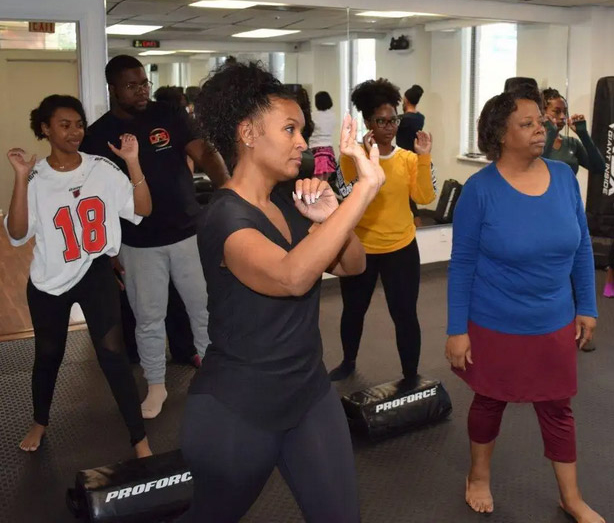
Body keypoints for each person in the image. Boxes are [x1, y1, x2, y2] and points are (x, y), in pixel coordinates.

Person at [179, 61, 385, 522]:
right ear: (248, 133)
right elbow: (291, 278)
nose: (302, 141)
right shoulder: (223, 216)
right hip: (239, 405)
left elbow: (353, 265)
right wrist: (362, 191)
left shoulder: (290, 201)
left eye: (302, 130)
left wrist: (331, 217)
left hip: (309, 392)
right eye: (290, 129)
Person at [445, 85, 604, 523]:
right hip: (495, 321)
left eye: (540, 121)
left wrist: (587, 306)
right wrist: (457, 330)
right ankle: (478, 477)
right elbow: (462, 264)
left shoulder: (564, 178)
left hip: (553, 320)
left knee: (557, 408)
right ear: (501, 134)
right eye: (527, 123)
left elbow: (581, 248)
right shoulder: (480, 190)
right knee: (489, 402)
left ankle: (571, 497)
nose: (540, 129)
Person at [81, 55, 229, 419]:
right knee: (148, 319)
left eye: (143, 82)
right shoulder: (98, 134)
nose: (141, 91)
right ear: (113, 89)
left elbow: (204, 152)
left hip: (187, 234)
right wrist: (108, 249)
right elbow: (96, 198)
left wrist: (228, 191)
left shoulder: (169, 114)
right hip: (138, 242)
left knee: (203, 311)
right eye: (131, 85)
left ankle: (215, 380)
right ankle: (157, 385)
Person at [4, 95, 152, 458]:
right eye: (64, 125)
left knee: (113, 353)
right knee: (48, 354)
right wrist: (20, 178)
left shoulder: (102, 168)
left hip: (95, 271)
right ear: (45, 129)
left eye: (79, 125)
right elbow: (17, 233)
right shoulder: (35, 176)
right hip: (49, 280)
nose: (75, 132)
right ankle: (40, 421)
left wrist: (133, 162)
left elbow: (143, 208)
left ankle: (139, 438)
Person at [329, 78, 436, 382]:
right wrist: (363, 158)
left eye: (393, 120)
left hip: (401, 249)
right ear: (368, 123)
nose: (389, 127)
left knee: (405, 314)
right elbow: (347, 195)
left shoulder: (409, 159)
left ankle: (411, 374)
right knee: (353, 310)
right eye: (381, 121)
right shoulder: (352, 157)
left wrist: (424, 157)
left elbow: (425, 197)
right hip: (360, 248)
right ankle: (348, 361)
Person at [542, 87, 605, 349]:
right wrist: (549, 133)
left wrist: (583, 134)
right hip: (543, 216)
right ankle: (548, 328)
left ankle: (580, 327)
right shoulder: (536, 143)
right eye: (555, 111)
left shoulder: (571, 144)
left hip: (568, 213)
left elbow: (599, 167)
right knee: (551, 274)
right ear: (543, 112)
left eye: (563, 112)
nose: (561, 117)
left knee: (575, 271)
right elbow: (539, 161)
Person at [310, 91, 338, 181]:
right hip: (329, 150)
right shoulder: (333, 116)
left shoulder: (312, 116)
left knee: (315, 180)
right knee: (326, 180)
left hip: (315, 150)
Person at [396, 84, 425, 152]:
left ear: (406, 100)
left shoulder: (401, 119)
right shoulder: (421, 118)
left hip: (402, 155)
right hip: (416, 155)